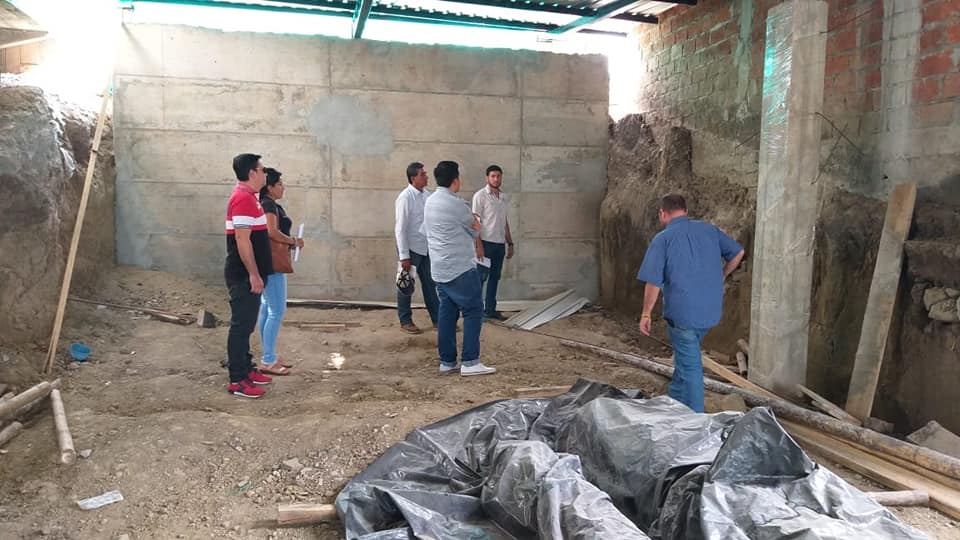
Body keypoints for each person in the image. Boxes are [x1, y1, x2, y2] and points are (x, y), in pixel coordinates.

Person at [636, 194, 744, 413]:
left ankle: (696, 418)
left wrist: (646, 314)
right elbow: (738, 252)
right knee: (685, 358)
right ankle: (676, 401)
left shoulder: (663, 239)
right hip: (710, 311)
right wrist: (723, 274)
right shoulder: (709, 230)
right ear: (685, 211)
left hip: (683, 315)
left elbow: (653, 283)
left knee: (692, 369)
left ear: (662, 213)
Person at [423, 161, 497, 377]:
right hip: (460, 268)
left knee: (447, 313)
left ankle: (447, 362)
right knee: (474, 310)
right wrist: (475, 222)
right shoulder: (457, 205)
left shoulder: (429, 201)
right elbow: (475, 230)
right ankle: (470, 362)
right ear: (455, 180)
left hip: (439, 269)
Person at [225, 153, 275, 398]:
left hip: (249, 275)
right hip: (243, 275)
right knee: (241, 326)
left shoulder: (250, 198)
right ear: (252, 173)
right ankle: (237, 380)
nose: (265, 174)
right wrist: (254, 274)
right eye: (262, 170)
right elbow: (242, 240)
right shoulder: (242, 199)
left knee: (246, 326)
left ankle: (246, 369)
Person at [257, 168, 304, 376]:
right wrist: (293, 241)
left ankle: (269, 355)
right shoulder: (268, 204)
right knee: (276, 311)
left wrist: (290, 243)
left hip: (268, 262)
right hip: (272, 264)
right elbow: (271, 232)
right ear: (269, 187)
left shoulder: (269, 204)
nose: (283, 187)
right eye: (280, 184)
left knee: (267, 309)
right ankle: (268, 360)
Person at [394, 162, 440, 334]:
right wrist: (404, 255)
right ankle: (405, 321)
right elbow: (400, 228)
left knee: (430, 284)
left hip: (425, 248)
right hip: (410, 249)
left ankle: (438, 319)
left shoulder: (427, 195)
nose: (426, 176)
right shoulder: (405, 198)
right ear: (413, 178)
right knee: (406, 284)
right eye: (423, 174)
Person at [471, 165, 514, 321]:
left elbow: (504, 221)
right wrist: (479, 245)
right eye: (493, 176)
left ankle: (490, 310)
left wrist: (510, 243)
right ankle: (474, 311)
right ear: (487, 178)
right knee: (480, 278)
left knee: (495, 278)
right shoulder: (480, 196)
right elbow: (475, 222)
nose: (496, 179)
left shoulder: (503, 197)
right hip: (486, 244)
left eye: (498, 176)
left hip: (499, 244)